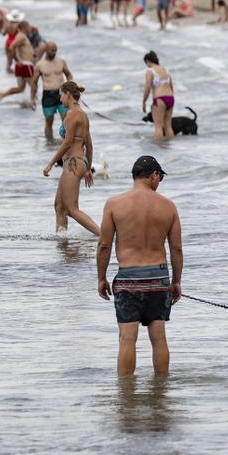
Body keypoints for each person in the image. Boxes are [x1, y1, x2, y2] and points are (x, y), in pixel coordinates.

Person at [96, 155, 182, 376]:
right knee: (159, 338)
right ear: (153, 175)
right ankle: (161, 390)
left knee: (127, 339)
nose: (159, 182)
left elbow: (104, 245)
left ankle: (126, 395)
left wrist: (101, 278)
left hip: (128, 279)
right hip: (158, 279)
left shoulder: (114, 204)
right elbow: (176, 250)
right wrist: (176, 282)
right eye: (160, 177)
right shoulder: (169, 207)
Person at [41, 81, 100, 235]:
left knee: (71, 209)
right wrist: (87, 168)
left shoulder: (72, 114)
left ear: (68, 93)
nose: (60, 99)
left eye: (61, 95)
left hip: (72, 164)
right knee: (59, 206)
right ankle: (62, 239)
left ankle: (103, 236)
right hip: (78, 163)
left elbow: (67, 143)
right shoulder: (82, 114)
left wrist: (50, 164)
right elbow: (90, 145)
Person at [32, 41, 73, 140]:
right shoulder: (40, 65)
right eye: (52, 50)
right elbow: (34, 82)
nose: (54, 52)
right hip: (48, 95)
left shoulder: (61, 61)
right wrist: (32, 98)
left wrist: (71, 87)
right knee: (49, 122)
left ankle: (67, 142)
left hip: (61, 94)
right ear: (46, 50)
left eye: (55, 50)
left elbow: (68, 75)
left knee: (66, 120)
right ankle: (49, 143)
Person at [0, 20, 36, 106]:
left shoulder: (21, 35)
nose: (29, 28)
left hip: (22, 65)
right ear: (24, 27)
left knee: (20, 88)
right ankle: (33, 102)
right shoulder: (21, 36)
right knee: (33, 85)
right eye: (28, 27)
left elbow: (17, 48)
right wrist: (18, 59)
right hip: (25, 65)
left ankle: (2, 95)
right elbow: (12, 46)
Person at [142, 51, 175, 141]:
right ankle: (171, 147)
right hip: (170, 98)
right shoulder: (165, 69)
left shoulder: (150, 71)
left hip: (160, 99)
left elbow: (148, 88)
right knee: (168, 126)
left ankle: (159, 149)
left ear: (148, 61)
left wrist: (144, 102)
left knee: (158, 126)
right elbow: (171, 86)